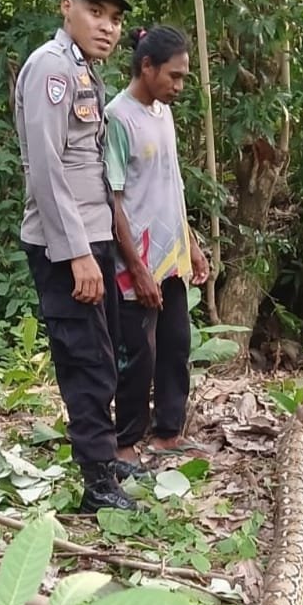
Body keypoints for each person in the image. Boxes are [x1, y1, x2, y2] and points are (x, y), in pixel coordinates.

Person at [15, 0, 148, 513]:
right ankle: (96, 484)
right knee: (86, 362)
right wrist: (75, 255)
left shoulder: (84, 72)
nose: (108, 27)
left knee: (105, 352)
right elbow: (46, 169)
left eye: (115, 18)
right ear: (66, 8)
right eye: (96, 12)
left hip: (92, 238)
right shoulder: (51, 68)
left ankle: (102, 453)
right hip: (63, 245)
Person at [105, 26, 210, 466]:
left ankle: (167, 431)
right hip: (136, 260)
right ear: (146, 67)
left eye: (184, 77)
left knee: (175, 344)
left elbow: (170, 185)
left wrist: (192, 243)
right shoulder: (117, 117)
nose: (179, 86)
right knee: (138, 354)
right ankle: (125, 443)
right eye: (173, 76)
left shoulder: (162, 113)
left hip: (171, 254)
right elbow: (112, 198)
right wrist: (137, 267)